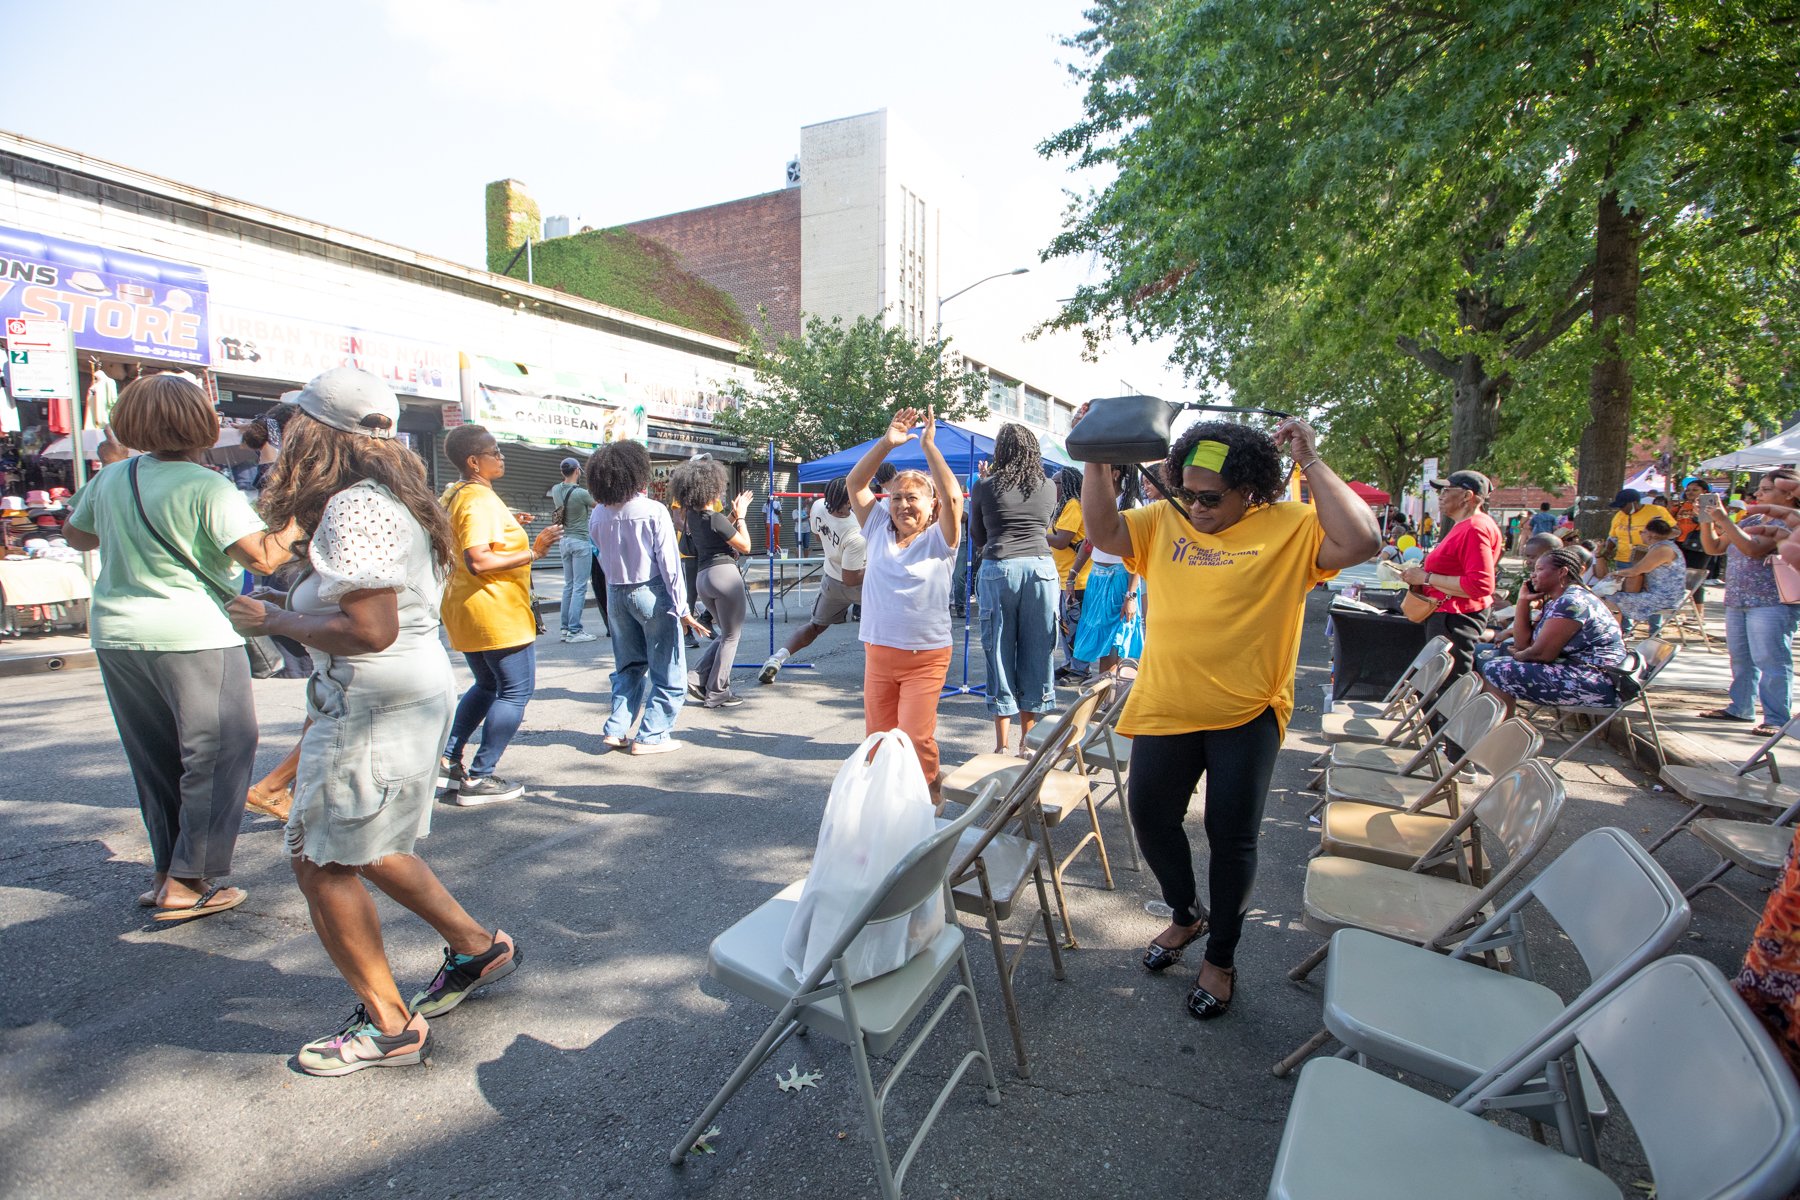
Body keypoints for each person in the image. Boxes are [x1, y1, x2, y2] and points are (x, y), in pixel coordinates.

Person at [223, 367, 518, 1076]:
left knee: (320, 857)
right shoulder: (392, 496)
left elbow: (372, 627)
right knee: (365, 842)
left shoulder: (356, 507)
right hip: (399, 694)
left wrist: (278, 617)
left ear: (316, 433)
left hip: (372, 700)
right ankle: (479, 946)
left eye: (296, 422)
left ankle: (390, 1026)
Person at [1088, 418, 1378, 1022]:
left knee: (1232, 835)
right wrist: (1097, 453)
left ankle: (1221, 956)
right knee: (1149, 816)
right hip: (1167, 701)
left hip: (1248, 711)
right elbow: (1104, 531)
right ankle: (1186, 915)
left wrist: (1312, 461)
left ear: (1250, 488)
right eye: (1186, 492)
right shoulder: (1166, 520)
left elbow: (1362, 543)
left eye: (1210, 497)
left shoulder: (1293, 526)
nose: (1195, 506)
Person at [61, 374, 300, 919]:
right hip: (191, 635)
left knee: (156, 759)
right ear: (202, 423)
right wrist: (294, 525)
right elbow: (262, 557)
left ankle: (166, 871)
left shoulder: (113, 476)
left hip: (117, 633)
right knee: (220, 752)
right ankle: (189, 880)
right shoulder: (205, 486)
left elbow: (78, 536)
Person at [438, 425, 562, 804]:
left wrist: (512, 525)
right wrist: (534, 552)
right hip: (495, 608)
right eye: (495, 452)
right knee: (515, 690)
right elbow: (479, 559)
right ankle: (481, 776)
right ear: (474, 461)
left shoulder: (455, 492)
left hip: (467, 607)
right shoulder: (477, 500)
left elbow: (473, 538)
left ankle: (447, 759)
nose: (502, 457)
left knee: (487, 685)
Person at [847, 406, 962, 802]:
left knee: (914, 737)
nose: (902, 506)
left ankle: (929, 799)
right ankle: (884, 807)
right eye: (896, 498)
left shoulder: (941, 540)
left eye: (912, 498)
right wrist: (886, 443)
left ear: (931, 506)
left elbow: (953, 496)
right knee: (878, 741)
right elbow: (855, 482)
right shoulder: (877, 525)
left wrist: (929, 446)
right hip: (879, 653)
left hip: (925, 656)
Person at [588, 440, 709, 753]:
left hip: (616, 592)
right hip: (651, 591)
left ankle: (617, 728)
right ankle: (652, 735)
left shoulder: (598, 514)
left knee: (628, 666)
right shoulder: (653, 510)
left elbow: (599, 557)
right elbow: (670, 563)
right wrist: (683, 608)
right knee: (668, 669)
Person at [969, 423, 1058, 755]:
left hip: (1000, 566)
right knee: (1037, 651)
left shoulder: (985, 486)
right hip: (1041, 569)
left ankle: (1002, 745)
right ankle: (1028, 742)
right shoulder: (1050, 486)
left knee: (999, 652)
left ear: (1000, 451)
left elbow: (978, 536)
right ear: (1033, 450)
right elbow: (1043, 527)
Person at [1699, 471, 1800, 735]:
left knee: (1771, 659)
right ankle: (1741, 707)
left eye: (1765, 489)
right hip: (1738, 598)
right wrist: (1707, 521)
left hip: (1772, 601)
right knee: (1741, 659)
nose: (1757, 494)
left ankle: (1777, 718)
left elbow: (1753, 549)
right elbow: (1714, 548)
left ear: (1789, 493)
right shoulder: (1752, 519)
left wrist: (1724, 519)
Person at [1477, 547, 1628, 718]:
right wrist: (1523, 601)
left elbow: (1541, 654)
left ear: (1562, 572)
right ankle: (1488, 728)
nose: (1533, 575)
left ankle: (1498, 735)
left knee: (1497, 669)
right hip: (1576, 669)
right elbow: (1523, 644)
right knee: (1481, 655)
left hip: (1599, 681)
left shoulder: (1572, 602)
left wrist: (1518, 655)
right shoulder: (1558, 601)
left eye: (1540, 569)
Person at [760, 476, 865, 683]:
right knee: (880, 630)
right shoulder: (855, 531)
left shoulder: (818, 506)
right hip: (858, 584)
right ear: (848, 501)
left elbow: (817, 536)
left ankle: (777, 658)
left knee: (815, 627)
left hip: (831, 581)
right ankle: (886, 676)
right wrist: (878, 569)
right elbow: (851, 578)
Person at [1399, 470, 1502, 678]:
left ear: (1467, 496)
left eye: (1446, 490)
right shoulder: (1467, 525)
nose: (1441, 496)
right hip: (1449, 614)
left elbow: (1480, 585)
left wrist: (1425, 578)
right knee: (1436, 682)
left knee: (1446, 685)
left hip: (1455, 616)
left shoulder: (1475, 528)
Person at [671, 457, 752, 709]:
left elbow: (720, 528)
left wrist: (732, 515)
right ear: (710, 487)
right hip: (724, 576)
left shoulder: (695, 518)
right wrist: (742, 517)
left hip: (703, 579)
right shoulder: (713, 517)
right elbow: (745, 546)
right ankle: (718, 692)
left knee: (727, 633)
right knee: (731, 636)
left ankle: (696, 678)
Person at [1068, 464, 1145, 679]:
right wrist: (1072, 576)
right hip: (1097, 579)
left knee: (1118, 643)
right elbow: (1088, 542)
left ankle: (1110, 702)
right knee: (1103, 648)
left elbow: (1138, 555)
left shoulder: (1133, 506)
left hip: (1122, 581)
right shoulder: (1098, 503)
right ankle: (1109, 701)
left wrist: (1131, 595)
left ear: (1115, 474)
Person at [1048, 467, 1093, 684]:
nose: (1052, 486)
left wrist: (1038, 532)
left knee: (1074, 625)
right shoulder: (1064, 506)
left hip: (1077, 578)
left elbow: (1062, 540)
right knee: (1066, 624)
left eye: (1055, 483)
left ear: (1065, 485)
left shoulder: (1073, 505)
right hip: (1064, 576)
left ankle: (1081, 670)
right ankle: (1070, 663)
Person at [1604, 518, 1685, 633]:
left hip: (1665, 598)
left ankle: (1615, 634)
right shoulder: (1662, 546)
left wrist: (1614, 573)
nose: (1641, 535)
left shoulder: (1663, 549)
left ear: (1651, 535)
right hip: (1658, 593)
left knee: (1610, 599)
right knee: (1616, 594)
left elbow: (1636, 571)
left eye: (1643, 532)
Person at [549, 456, 599, 643]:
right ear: (577, 470)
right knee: (579, 587)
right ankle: (575, 630)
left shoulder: (556, 490)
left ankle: (565, 628)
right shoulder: (581, 493)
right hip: (580, 542)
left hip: (564, 540)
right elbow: (599, 506)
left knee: (568, 585)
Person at [1605, 487, 1675, 569]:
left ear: (1634, 503)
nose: (1621, 508)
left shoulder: (1657, 510)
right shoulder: (1619, 515)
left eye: (1622, 505)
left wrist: (1659, 531)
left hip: (1650, 560)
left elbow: (1676, 531)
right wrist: (1607, 551)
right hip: (1623, 561)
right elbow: (1613, 537)